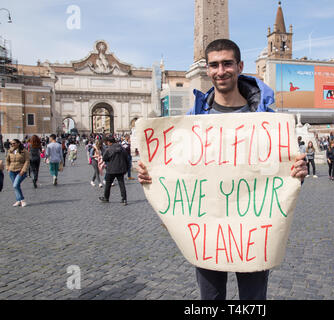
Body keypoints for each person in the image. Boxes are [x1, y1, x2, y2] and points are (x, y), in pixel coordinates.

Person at [137, 39, 307, 301]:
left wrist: (297, 171)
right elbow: (177, 170)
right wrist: (152, 176)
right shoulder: (192, 119)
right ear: (207, 70)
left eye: (227, 63)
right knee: (211, 299)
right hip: (207, 228)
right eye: (214, 65)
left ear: (239, 66)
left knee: (253, 300)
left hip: (253, 227)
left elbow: (280, 172)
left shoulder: (267, 119)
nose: (221, 71)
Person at [99, 136, 129, 205]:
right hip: (120, 169)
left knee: (108, 184)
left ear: (109, 142)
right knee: (121, 184)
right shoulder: (122, 148)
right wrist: (126, 168)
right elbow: (126, 157)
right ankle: (124, 199)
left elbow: (104, 158)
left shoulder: (109, 149)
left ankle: (106, 198)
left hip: (111, 169)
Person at [5, 139, 30, 207]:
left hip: (20, 170)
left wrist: (23, 170)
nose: (12, 145)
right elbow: (7, 160)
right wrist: (7, 168)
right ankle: (18, 200)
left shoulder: (24, 151)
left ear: (18, 143)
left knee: (15, 185)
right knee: (16, 186)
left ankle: (22, 200)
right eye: (11, 144)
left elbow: (27, 161)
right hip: (11, 171)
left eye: (14, 143)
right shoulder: (10, 151)